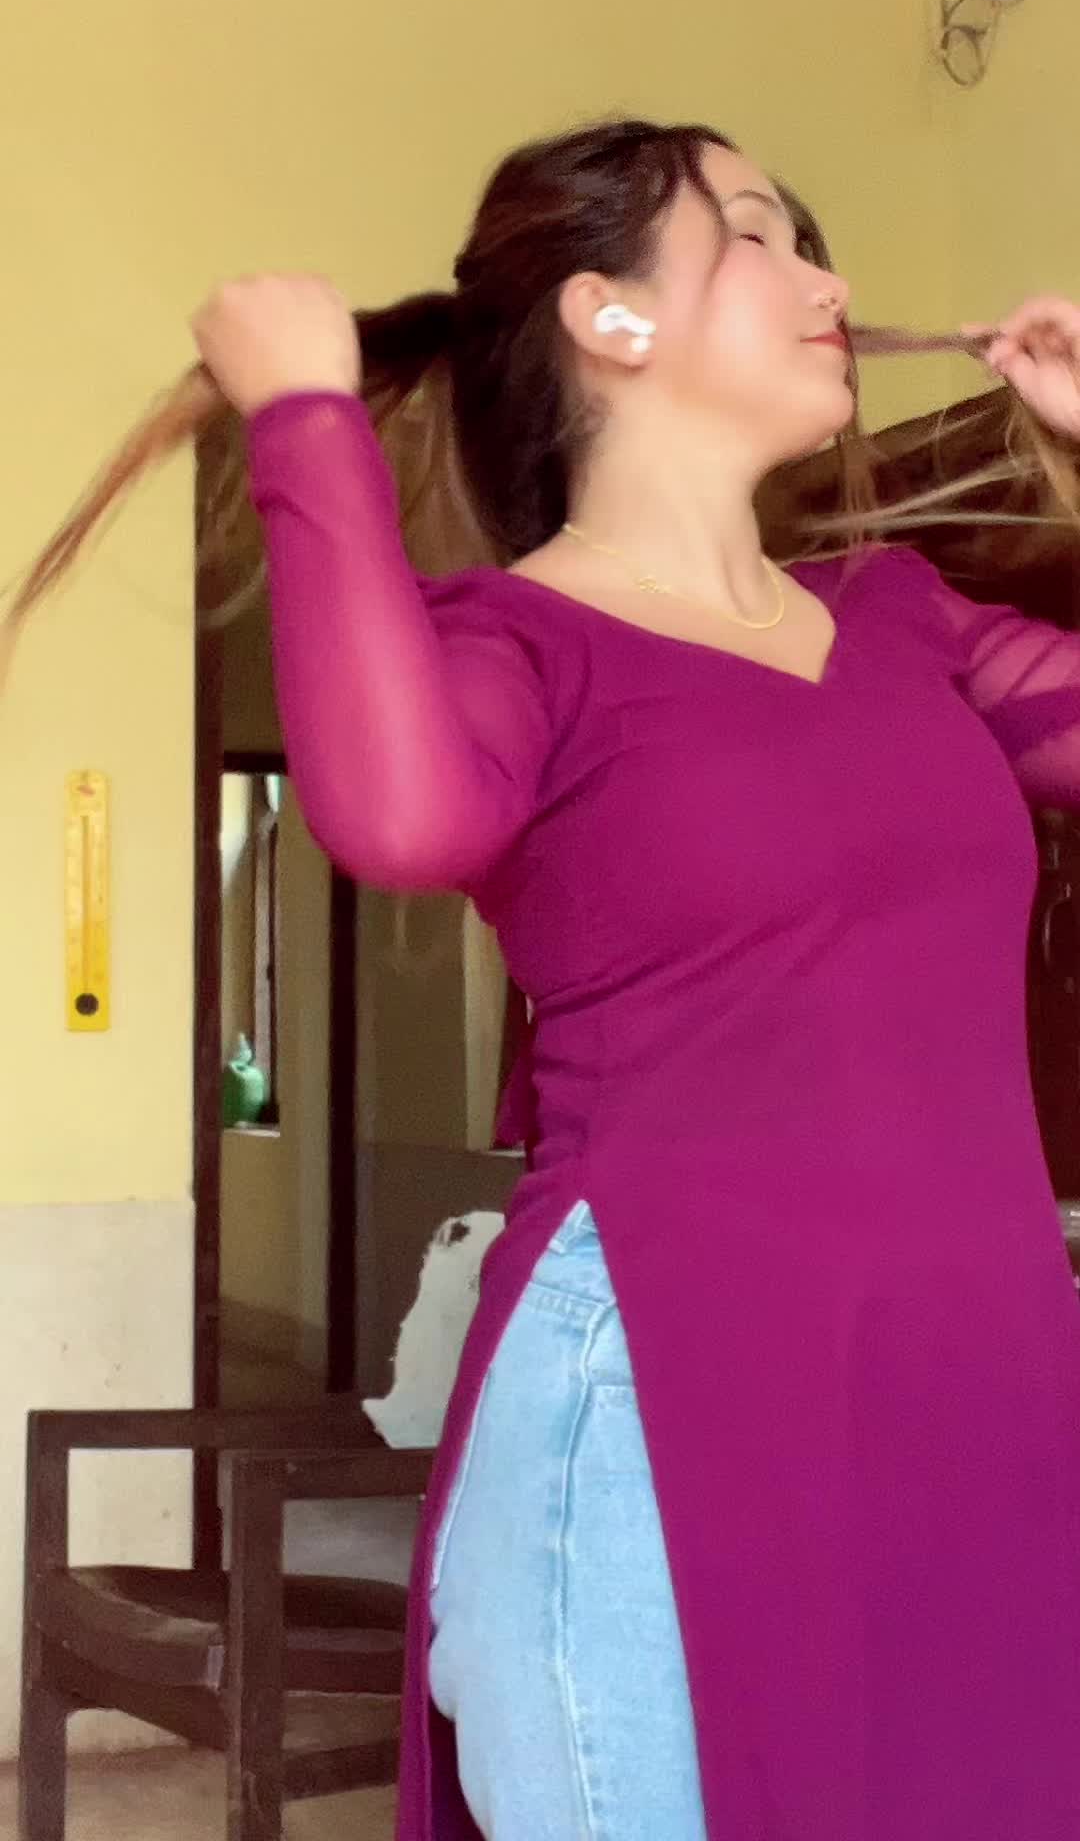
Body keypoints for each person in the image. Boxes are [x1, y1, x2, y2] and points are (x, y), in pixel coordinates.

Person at [20, 120, 1080, 1840]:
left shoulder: (904, 616)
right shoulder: (516, 645)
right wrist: (302, 420)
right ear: (610, 315)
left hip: (970, 1400)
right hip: (658, 1403)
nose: (829, 282)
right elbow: (400, 814)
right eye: (760, 232)